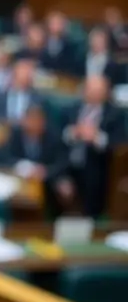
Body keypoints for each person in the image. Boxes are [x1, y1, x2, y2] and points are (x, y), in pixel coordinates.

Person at [59, 75, 123, 217]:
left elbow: (119, 143)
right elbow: (57, 135)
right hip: (67, 163)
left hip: (97, 166)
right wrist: (73, 133)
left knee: (94, 183)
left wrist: (96, 137)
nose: (94, 94)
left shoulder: (115, 114)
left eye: (99, 91)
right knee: (56, 178)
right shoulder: (71, 109)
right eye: (91, 90)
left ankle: (91, 221)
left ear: (106, 93)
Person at [0, 104, 66, 218]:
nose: (34, 125)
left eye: (38, 121)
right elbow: (4, 158)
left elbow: (62, 163)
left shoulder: (53, 136)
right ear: (24, 121)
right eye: (31, 121)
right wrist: (23, 167)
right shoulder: (15, 134)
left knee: (64, 188)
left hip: (46, 180)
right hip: (19, 178)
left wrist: (46, 172)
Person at [0, 57, 40, 125]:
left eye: (30, 71)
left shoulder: (38, 99)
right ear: (14, 71)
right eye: (23, 70)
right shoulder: (1, 96)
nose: (27, 74)